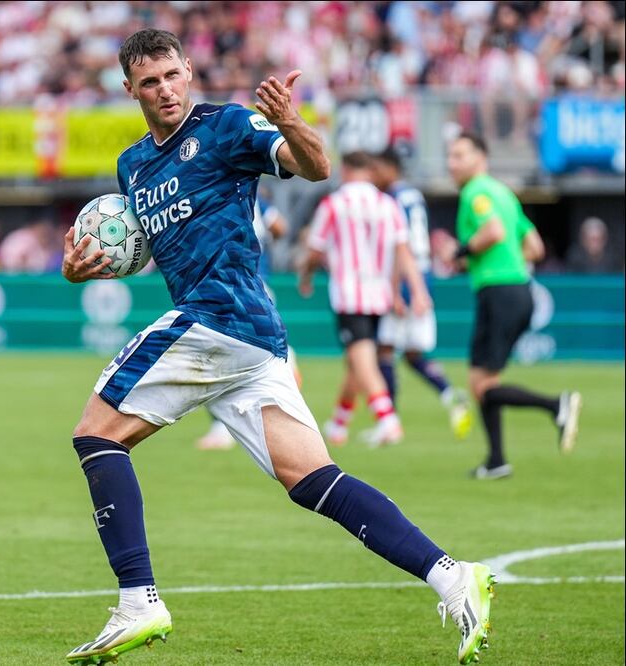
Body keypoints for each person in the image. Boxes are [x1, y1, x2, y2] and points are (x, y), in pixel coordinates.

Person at [60, 30, 493, 666]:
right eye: (150, 82)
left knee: (96, 434)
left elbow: (316, 166)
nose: (165, 90)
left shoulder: (228, 127)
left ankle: (137, 601)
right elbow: (150, 249)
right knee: (312, 479)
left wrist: (291, 121)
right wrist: (85, 269)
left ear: (189, 70)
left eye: (173, 75)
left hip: (220, 316)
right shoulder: (133, 167)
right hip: (250, 339)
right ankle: (453, 576)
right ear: (131, 90)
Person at [443, 131, 582, 480]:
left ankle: (556, 405)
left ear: (480, 158)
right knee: (482, 380)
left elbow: (493, 232)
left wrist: (460, 252)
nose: (451, 163)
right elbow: (535, 247)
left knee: (483, 386)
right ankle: (496, 461)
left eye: (459, 155)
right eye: (450, 156)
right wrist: (499, 261)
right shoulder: (504, 192)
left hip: (499, 292)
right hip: (518, 289)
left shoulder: (476, 191)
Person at [299, 151, 430, 448]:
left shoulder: (334, 204)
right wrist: (416, 291)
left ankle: (388, 420)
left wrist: (305, 276)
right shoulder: (388, 204)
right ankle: (339, 422)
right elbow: (403, 251)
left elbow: (315, 250)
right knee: (357, 360)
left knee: (363, 359)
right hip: (379, 295)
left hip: (349, 294)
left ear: (345, 170)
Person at [371, 147, 472, 439]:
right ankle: (450, 394)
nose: (374, 175)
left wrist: (396, 290)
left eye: (378, 168)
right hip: (423, 274)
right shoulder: (414, 195)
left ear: (390, 167)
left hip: (405, 275)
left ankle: (389, 421)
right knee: (413, 353)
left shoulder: (392, 198)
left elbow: (399, 245)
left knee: (384, 348)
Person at [196, 186, 295, 451]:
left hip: (234, 286)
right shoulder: (257, 201)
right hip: (260, 286)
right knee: (263, 353)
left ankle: (224, 425)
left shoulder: (218, 196)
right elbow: (281, 227)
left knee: (213, 352)